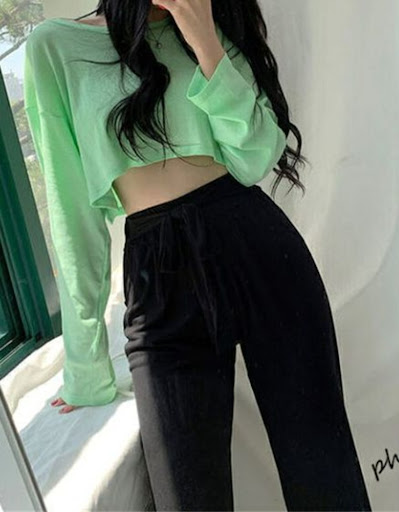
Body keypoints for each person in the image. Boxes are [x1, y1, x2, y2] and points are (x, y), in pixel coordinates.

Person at [23, 0, 372, 510]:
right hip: (157, 275)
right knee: (187, 496)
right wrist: (86, 366)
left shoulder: (213, 26)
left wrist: (203, 36)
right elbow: (71, 215)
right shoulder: (56, 47)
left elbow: (256, 157)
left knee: (325, 474)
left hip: (260, 251)